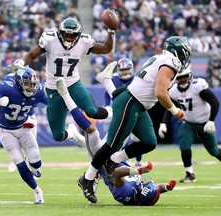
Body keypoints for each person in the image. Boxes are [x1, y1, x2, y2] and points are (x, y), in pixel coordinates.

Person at [77, 36, 192, 203]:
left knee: (149, 142)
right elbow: (160, 92)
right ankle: (87, 179)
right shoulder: (170, 61)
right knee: (113, 144)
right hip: (131, 102)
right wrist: (175, 111)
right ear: (179, 51)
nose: (186, 56)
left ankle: (112, 162)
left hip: (139, 104)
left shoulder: (162, 58)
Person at [55, 76, 176, 205]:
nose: (144, 182)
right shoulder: (142, 194)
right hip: (120, 157)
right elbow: (155, 190)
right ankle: (106, 80)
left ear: (140, 191)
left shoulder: (126, 193)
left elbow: (117, 173)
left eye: (144, 185)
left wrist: (139, 171)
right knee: (126, 123)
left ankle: (64, 94)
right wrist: (167, 188)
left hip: (103, 160)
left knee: (91, 129)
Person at [11, 17, 116, 147]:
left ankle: (111, 111)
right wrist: (21, 62)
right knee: (58, 135)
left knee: (92, 111)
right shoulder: (50, 39)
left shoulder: (84, 41)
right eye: (66, 34)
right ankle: (72, 134)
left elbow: (106, 49)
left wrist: (111, 31)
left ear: (78, 35)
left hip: (73, 84)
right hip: (53, 89)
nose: (69, 38)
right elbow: (32, 55)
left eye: (73, 35)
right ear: (60, 32)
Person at [0, 67, 47, 204]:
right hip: (5, 130)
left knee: (36, 162)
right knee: (19, 164)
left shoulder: (38, 91)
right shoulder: (7, 87)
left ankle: (31, 163)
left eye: (33, 84)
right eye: (28, 84)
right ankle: (37, 191)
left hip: (22, 126)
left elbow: (51, 102)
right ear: (20, 83)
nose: (31, 87)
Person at [158, 67, 221, 183]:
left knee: (214, 151)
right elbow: (169, 108)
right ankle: (190, 174)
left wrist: (211, 120)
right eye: (179, 77)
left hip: (205, 122)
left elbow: (215, 102)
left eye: (184, 77)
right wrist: (163, 123)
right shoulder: (173, 91)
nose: (182, 80)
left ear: (189, 76)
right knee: (184, 144)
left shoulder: (198, 86)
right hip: (189, 122)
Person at [102, 57, 142, 167]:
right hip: (119, 111)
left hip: (135, 110)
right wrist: (107, 105)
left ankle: (138, 162)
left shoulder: (137, 78)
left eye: (127, 69)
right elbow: (107, 93)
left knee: (136, 138)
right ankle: (123, 160)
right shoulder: (114, 79)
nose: (125, 72)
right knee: (120, 136)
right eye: (122, 70)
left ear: (132, 69)